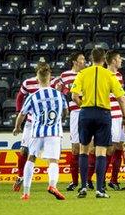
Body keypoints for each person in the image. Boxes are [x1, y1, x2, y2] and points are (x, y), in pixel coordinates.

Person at [70, 48, 125, 198]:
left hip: (86, 113)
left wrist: (83, 106)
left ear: (91, 58)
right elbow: (120, 98)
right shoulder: (110, 75)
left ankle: (83, 187)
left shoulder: (82, 74)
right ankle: (99, 189)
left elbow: (74, 96)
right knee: (101, 152)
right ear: (104, 59)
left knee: (84, 150)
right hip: (103, 114)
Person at [13, 65, 67, 200]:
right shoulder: (59, 95)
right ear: (50, 78)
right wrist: (60, 119)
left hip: (37, 131)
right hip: (53, 132)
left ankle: (26, 192)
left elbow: (22, 114)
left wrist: (17, 127)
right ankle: (52, 185)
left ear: (38, 79)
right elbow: (65, 111)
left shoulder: (33, 96)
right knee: (53, 160)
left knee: (31, 158)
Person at [50, 52, 86, 191]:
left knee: (92, 147)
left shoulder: (87, 73)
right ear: (74, 62)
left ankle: (87, 180)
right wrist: (63, 91)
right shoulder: (65, 75)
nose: (84, 62)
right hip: (75, 112)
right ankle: (74, 181)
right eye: (81, 59)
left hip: (88, 110)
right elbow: (53, 87)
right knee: (76, 148)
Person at [104, 50, 125, 190]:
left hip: (120, 115)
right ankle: (100, 180)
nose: (121, 60)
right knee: (109, 148)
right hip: (109, 115)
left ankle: (113, 180)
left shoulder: (119, 76)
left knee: (119, 147)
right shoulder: (104, 75)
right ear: (113, 60)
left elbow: (121, 97)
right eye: (119, 58)